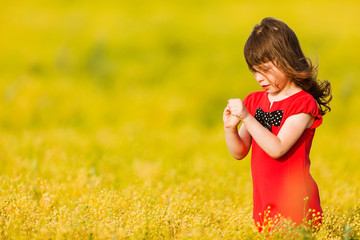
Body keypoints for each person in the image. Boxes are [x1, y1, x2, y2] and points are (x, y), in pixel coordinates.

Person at [223, 17, 332, 230]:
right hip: (264, 201)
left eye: (264, 69)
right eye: (254, 71)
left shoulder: (302, 104)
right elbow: (239, 151)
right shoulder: (254, 101)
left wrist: (247, 117)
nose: (259, 78)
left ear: (286, 60)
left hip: (296, 202)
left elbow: (278, 148)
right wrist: (230, 129)